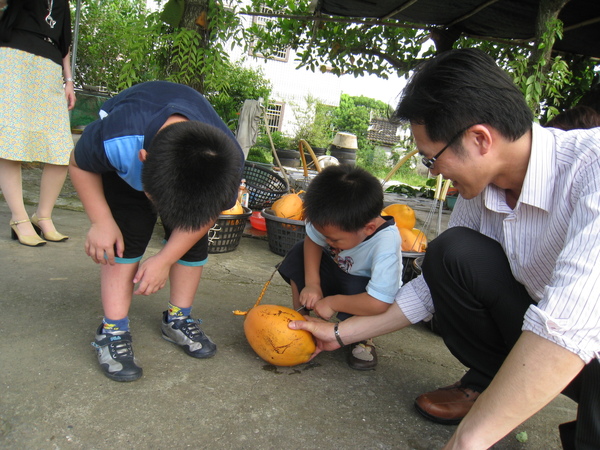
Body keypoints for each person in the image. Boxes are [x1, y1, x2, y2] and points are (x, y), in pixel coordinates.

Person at [289, 48, 600, 449]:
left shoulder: (590, 168)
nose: (434, 173)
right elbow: (431, 287)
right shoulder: (480, 191)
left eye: (430, 160)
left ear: (479, 139)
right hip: (554, 336)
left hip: (588, 342)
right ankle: (491, 387)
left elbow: (571, 322)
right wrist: (341, 333)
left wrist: (467, 441)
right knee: (450, 254)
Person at [69, 81, 244, 382]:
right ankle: (112, 330)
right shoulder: (118, 138)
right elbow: (79, 163)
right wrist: (101, 221)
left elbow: (209, 213)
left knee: (192, 243)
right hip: (125, 164)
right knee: (125, 236)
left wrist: (165, 258)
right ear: (143, 160)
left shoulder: (227, 164)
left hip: (185, 168)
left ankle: (178, 318)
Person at [278, 165, 402, 370]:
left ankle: (362, 338)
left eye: (334, 239)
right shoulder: (333, 221)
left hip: (363, 294)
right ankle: (302, 317)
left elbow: (379, 302)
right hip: (337, 274)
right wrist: (312, 285)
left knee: (358, 285)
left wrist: (333, 303)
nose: (327, 241)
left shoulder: (386, 243)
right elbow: (312, 240)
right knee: (298, 253)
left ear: (368, 228)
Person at [0, 0, 76, 246]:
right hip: (13, 59)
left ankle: (43, 215)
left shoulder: (63, 4)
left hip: (50, 66)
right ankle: (19, 218)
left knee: (60, 148)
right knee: (11, 142)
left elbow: (65, 45)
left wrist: (69, 81)